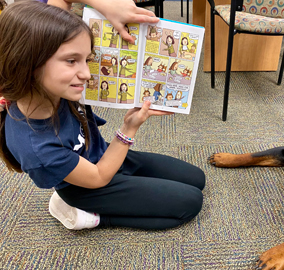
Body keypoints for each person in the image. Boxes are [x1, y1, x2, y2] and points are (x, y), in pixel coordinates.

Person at [0, 1, 205, 230]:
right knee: (190, 203)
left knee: (198, 179)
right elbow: (98, 177)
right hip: (89, 186)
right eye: (71, 61)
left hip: (103, 153)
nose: (87, 74)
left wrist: (108, 7)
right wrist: (128, 129)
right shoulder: (37, 147)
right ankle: (90, 218)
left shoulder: (53, 88)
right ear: (27, 61)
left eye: (86, 59)